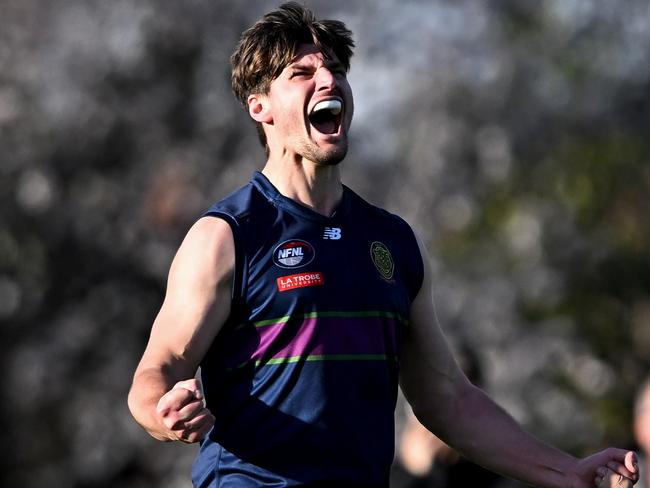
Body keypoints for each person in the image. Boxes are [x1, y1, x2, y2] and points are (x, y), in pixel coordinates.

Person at [127, 3, 640, 487]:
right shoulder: (227, 235)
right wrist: (163, 410)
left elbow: (449, 400)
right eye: (301, 74)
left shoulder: (391, 242)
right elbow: (158, 369)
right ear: (259, 106)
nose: (328, 80)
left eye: (334, 69)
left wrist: (567, 472)